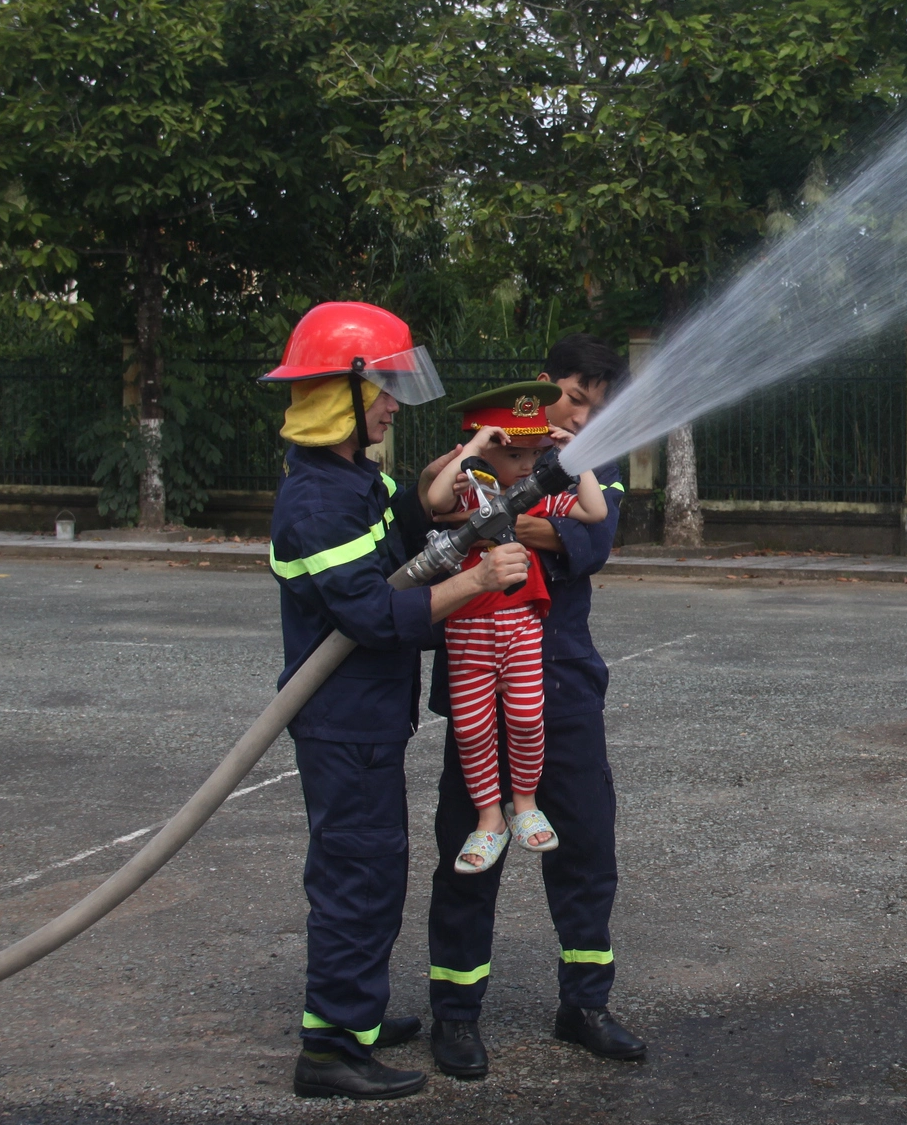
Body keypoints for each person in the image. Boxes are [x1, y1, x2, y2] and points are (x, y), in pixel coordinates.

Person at [261, 302, 530, 1100]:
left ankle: (359, 1017)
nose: (389, 404)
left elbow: (400, 527)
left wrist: (461, 466)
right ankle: (331, 1048)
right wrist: (476, 580)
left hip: (367, 719)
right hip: (342, 723)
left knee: (376, 869)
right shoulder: (317, 500)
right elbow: (373, 613)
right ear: (341, 392)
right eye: (380, 388)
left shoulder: (350, 479)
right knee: (357, 875)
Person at [397, 333, 643, 1078]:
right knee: (471, 850)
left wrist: (498, 518)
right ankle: (458, 1015)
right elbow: (424, 519)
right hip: (479, 679)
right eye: (573, 398)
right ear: (542, 389)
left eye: (596, 408)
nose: (583, 416)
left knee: (587, 844)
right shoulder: (486, 442)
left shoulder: (600, 461)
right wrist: (492, 498)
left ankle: (585, 1004)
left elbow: (591, 541)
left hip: (561, 683)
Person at [422, 381, 610, 873]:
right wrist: (475, 446)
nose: (529, 465)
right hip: (467, 632)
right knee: (472, 728)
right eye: (518, 453)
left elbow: (595, 510)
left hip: (523, 627)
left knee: (527, 719)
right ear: (489, 451)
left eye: (536, 452)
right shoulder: (469, 497)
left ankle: (524, 804)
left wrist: (576, 456)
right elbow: (435, 499)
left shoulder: (536, 498)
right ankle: (490, 819)